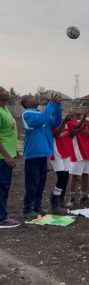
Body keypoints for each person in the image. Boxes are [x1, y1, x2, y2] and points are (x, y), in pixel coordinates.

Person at [21, 93, 62, 218]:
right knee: (32, 182)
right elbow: (42, 119)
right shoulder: (27, 114)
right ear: (27, 104)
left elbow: (55, 121)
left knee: (41, 182)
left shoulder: (41, 114)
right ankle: (27, 209)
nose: (35, 98)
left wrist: (57, 106)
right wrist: (50, 104)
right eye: (31, 98)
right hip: (32, 154)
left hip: (43, 153)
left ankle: (37, 206)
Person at [0, 87, 19, 228]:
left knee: (4, 187)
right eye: (3, 91)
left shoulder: (5, 109)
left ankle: (3, 213)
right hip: (2, 157)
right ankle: (1, 218)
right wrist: (7, 156)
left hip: (7, 155)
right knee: (1, 187)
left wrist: (14, 152)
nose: (7, 92)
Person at [67, 108, 89, 206]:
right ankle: (71, 198)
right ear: (71, 113)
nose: (77, 108)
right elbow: (73, 132)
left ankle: (84, 196)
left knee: (86, 174)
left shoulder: (87, 121)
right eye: (74, 108)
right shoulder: (70, 122)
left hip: (87, 151)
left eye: (78, 108)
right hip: (78, 152)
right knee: (74, 175)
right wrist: (83, 125)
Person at [49, 113, 74, 213]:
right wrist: (64, 122)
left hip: (65, 151)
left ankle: (61, 200)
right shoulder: (52, 121)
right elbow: (56, 134)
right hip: (56, 152)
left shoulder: (64, 119)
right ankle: (55, 202)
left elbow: (72, 132)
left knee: (66, 177)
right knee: (61, 177)